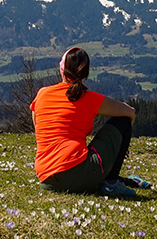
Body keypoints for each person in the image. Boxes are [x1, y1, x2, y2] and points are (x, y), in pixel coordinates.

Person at [30, 46, 145, 197]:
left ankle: (107, 179)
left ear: (62, 70)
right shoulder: (87, 98)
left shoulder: (42, 94)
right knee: (122, 121)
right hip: (77, 173)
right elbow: (129, 112)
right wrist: (120, 144)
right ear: (85, 74)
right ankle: (111, 183)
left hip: (46, 178)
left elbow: (36, 122)